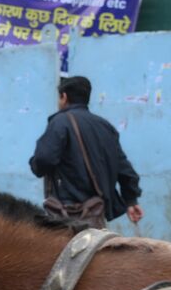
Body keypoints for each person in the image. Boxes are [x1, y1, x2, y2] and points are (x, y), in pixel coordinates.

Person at [29, 75, 143, 226]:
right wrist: (131, 200)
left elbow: (44, 159)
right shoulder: (105, 127)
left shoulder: (60, 122)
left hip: (65, 216)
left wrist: (36, 165)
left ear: (64, 97)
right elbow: (124, 168)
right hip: (95, 216)